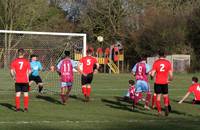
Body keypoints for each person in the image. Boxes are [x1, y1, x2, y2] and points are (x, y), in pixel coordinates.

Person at [151, 50, 173, 116]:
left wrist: (151, 77)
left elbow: (152, 74)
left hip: (157, 82)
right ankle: (166, 106)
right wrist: (170, 80)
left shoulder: (156, 62)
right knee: (165, 96)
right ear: (164, 55)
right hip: (164, 82)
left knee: (158, 97)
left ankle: (159, 112)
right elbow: (171, 75)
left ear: (158, 55)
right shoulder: (168, 62)